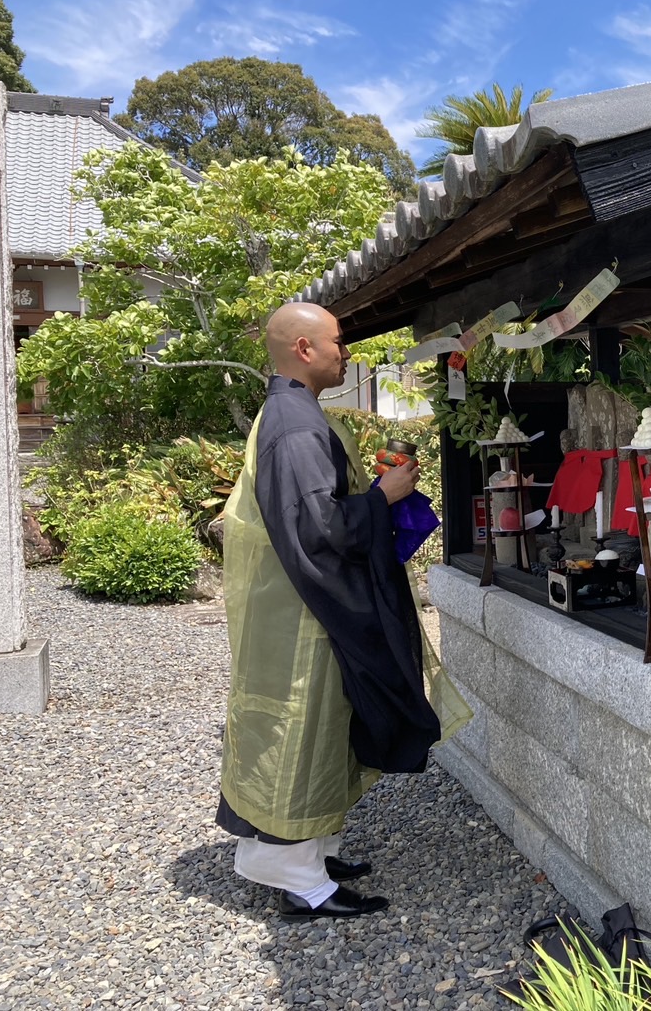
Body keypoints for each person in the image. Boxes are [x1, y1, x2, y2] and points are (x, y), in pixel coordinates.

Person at [216, 302, 470, 921]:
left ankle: (309, 848)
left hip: (298, 603)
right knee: (306, 728)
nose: (346, 351)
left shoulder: (289, 412)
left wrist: (375, 498)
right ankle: (299, 877)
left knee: (324, 728)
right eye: (337, 341)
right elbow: (320, 529)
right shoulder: (296, 425)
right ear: (304, 349)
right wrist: (383, 498)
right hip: (311, 612)